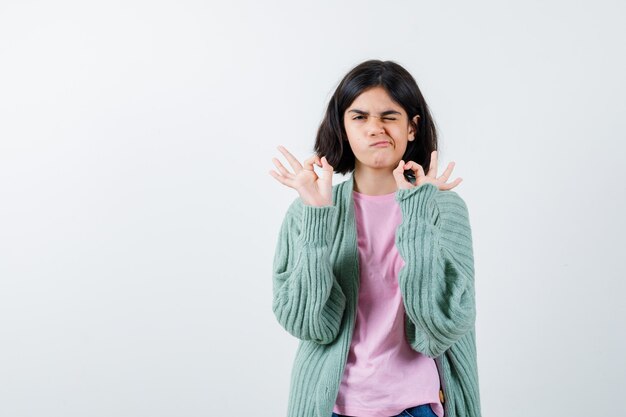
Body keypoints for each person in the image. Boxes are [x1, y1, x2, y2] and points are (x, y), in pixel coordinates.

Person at [268, 60, 481, 417]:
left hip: (417, 406)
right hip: (331, 406)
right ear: (343, 128)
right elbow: (307, 323)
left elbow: (444, 323)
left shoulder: (444, 209)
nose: (375, 129)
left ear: (412, 127)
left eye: (389, 116)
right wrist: (319, 217)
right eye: (360, 117)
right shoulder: (309, 209)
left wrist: (416, 212)